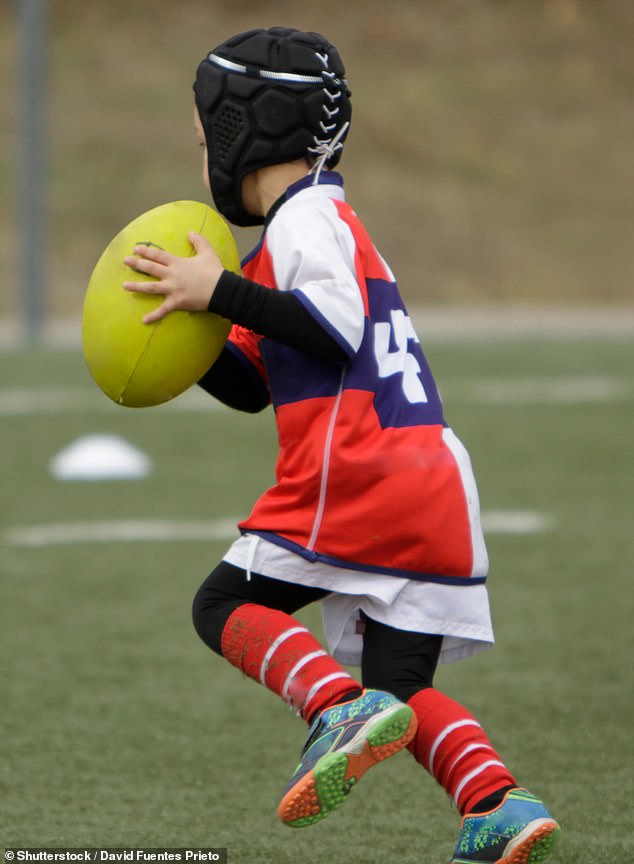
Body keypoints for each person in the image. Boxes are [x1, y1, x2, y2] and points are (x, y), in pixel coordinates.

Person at [123, 26, 560, 863]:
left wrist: (215, 288)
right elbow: (253, 384)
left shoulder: (303, 222)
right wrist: (190, 332)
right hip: (430, 481)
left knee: (219, 606)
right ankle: (497, 804)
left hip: (360, 474)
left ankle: (333, 709)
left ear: (240, 127)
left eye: (199, 135)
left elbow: (332, 325)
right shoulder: (320, 229)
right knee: (402, 688)